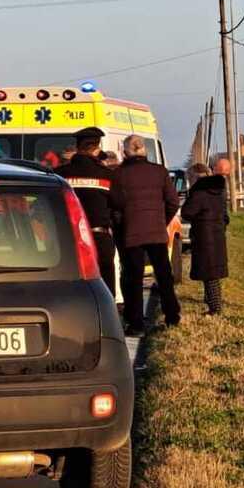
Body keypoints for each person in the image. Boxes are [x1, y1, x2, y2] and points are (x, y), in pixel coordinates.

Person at [111, 135, 181, 335]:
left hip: (132, 233)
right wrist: (162, 221)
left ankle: (136, 323)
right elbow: (173, 202)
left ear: (125, 153)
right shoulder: (159, 172)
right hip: (157, 233)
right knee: (164, 276)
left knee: (134, 279)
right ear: (144, 151)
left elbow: (115, 205)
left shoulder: (119, 175)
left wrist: (122, 225)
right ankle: (172, 316)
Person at [56, 127, 117, 294]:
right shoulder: (107, 176)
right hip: (100, 237)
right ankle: (105, 317)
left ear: (77, 147)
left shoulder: (60, 175)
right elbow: (119, 204)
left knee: (70, 283)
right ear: (97, 148)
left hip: (67, 238)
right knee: (104, 284)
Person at [180, 163, 229, 315]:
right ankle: (212, 303)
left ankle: (215, 308)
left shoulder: (199, 193)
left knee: (209, 274)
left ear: (195, 177)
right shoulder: (219, 191)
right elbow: (225, 216)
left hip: (203, 235)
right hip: (217, 235)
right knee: (213, 273)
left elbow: (187, 212)